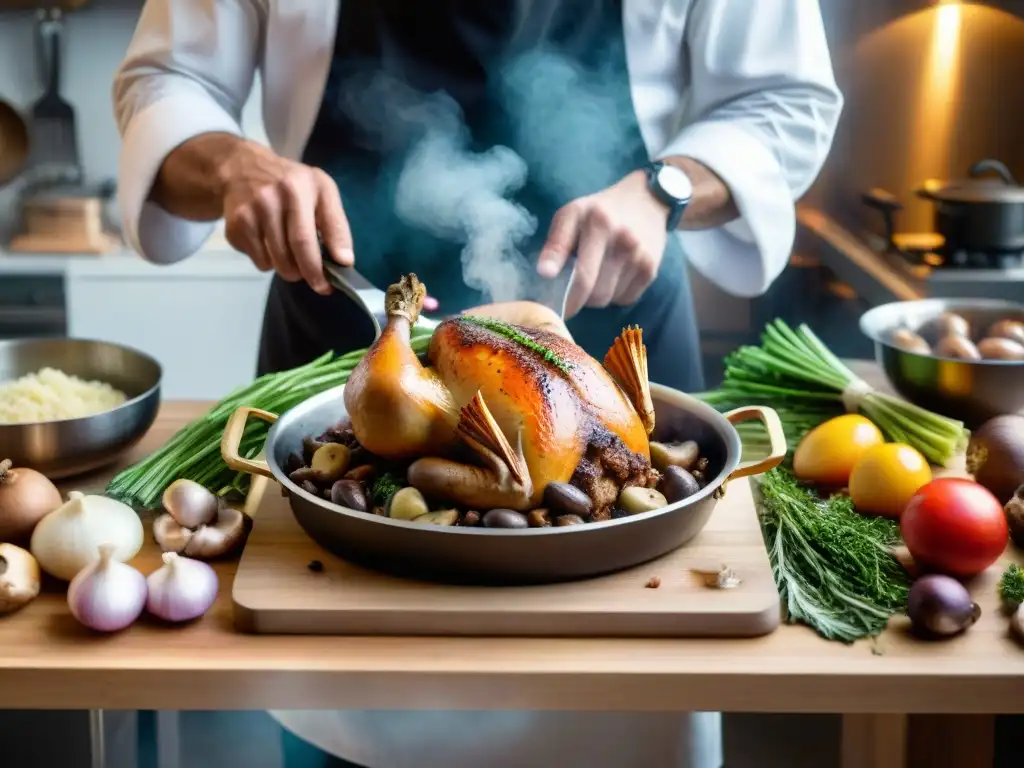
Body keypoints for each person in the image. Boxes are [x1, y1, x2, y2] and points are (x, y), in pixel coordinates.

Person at [113, 1, 842, 766]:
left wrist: (667, 187)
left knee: (624, 721)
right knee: (344, 718)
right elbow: (166, 79)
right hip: (351, 341)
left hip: (609, 334)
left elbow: (784, 100)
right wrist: (233, 164)